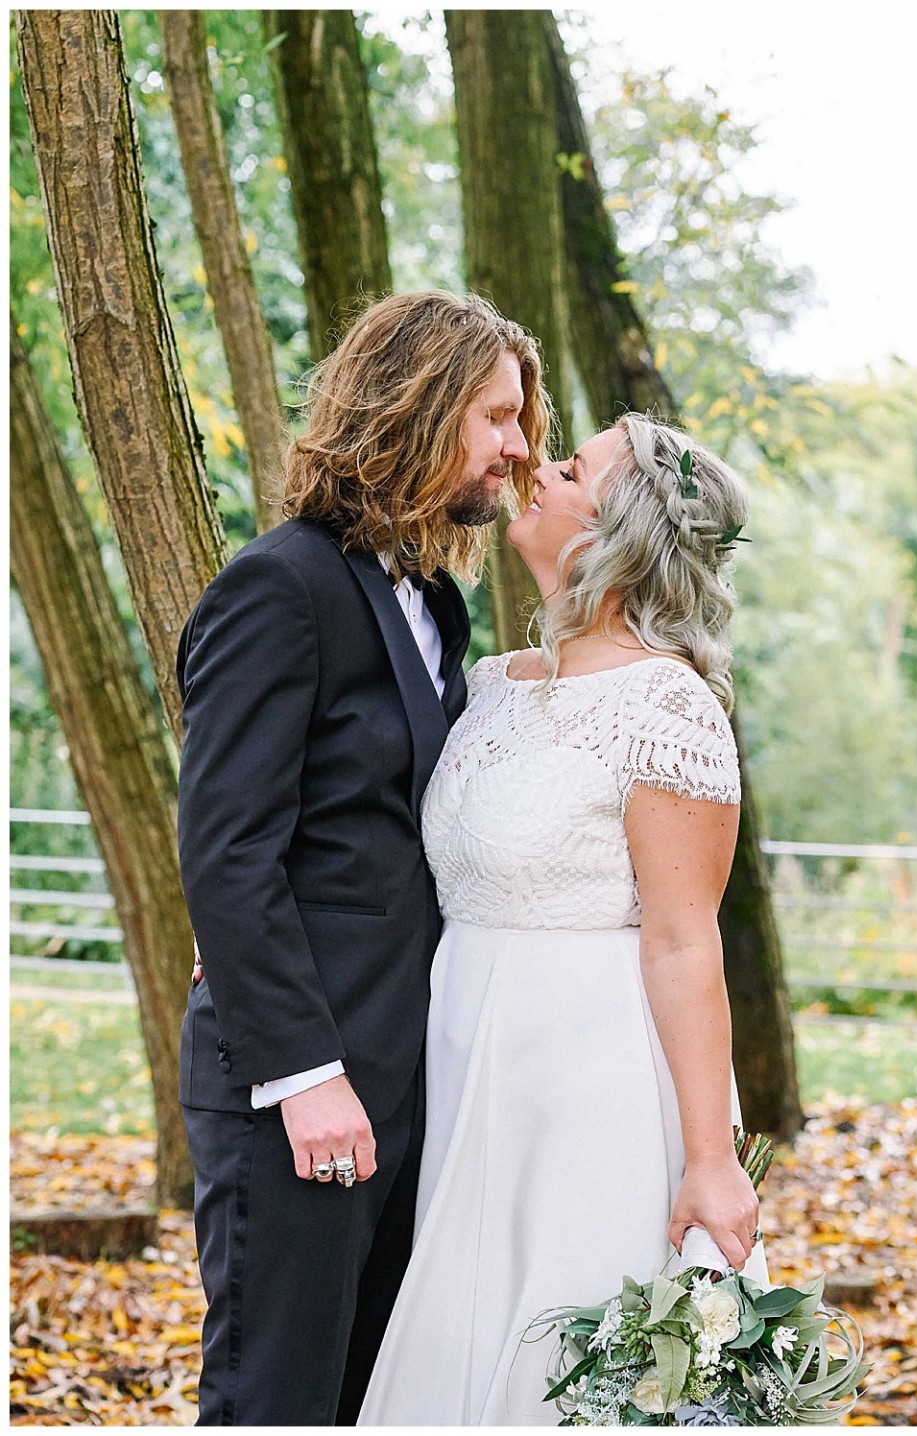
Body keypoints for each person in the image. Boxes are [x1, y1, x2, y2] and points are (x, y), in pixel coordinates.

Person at [175, 290, 548, 1424]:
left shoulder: (436, 599)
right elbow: (226, 847)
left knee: (360, 1399)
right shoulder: (278, 586)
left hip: (405, 1085)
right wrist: (302, 1075)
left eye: (520, 421)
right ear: (420, 405)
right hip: (299, 1089)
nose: (519, 446)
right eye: (496, 416)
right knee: (274, 1399)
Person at [356, 413, 763, 1424]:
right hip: (458, 1063)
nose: (537, 463)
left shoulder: (668, 709)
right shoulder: (491, 685)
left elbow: (684, 941)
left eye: (573, 465)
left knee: (556, 1354)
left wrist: (712, 1160)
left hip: (589, 1088)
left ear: (616, 529)